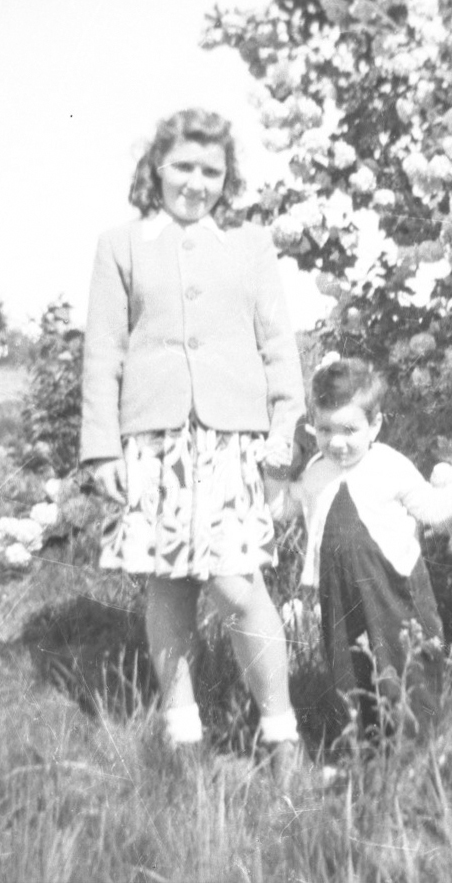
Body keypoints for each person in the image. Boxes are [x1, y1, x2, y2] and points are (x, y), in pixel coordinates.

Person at [79, 107, 305, 773]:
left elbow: (278, 344)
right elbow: (103, 351)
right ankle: (184, 737)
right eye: (183, 166)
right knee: (169, 587)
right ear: (157, 167)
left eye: (212, 170)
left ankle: (282, 735)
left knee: (239, 584)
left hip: (232, 440)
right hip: (154, 441)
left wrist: (284, 428)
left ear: (227, 177)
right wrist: (101, 447)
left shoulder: (249, 244)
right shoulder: (121, 244)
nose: (196, 182)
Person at [272, 358, 452, 742]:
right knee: (349, 665)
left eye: (349, 430)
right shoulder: (316, 471)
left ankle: (417, 744)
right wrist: (272, 473)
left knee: (405, 659)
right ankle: (362, 747)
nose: (336, 442)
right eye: (325, 429)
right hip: (339, 591)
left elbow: (432, 509)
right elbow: (281, 508)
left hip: (394, 587)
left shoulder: (390, 466)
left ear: (375, 425)